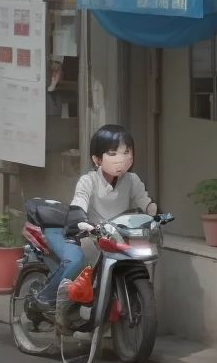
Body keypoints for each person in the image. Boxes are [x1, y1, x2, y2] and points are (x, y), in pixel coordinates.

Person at [34, 122, 156, 314]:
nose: (121, 159)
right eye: (113, 153)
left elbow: (145, 201)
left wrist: (155, 213)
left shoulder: (132, 180)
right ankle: (46, 299)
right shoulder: (88, 181)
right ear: (97, 159)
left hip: (116, 238)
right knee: (75, 262)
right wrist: (81, 220)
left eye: (126, 152)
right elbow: (79, 202)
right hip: (87, 235)